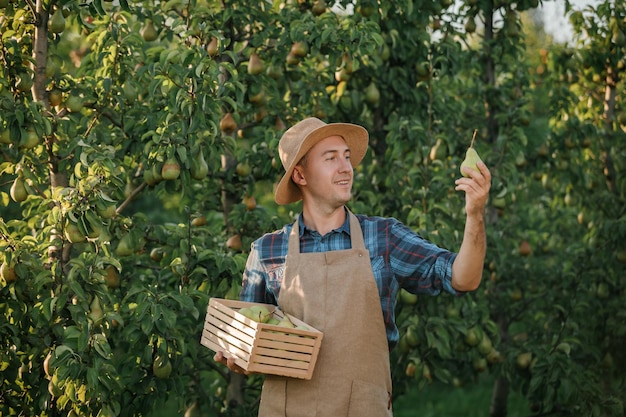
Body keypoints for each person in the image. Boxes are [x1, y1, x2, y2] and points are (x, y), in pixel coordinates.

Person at [214, 117, 491, 417]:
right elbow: (246, 343)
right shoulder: (268, 251)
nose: (346, 167)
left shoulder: (383, 238)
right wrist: (237, 353)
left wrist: (474, 214)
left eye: (346, 157)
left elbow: (463, 278)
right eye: (331, 158)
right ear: (301, 176)